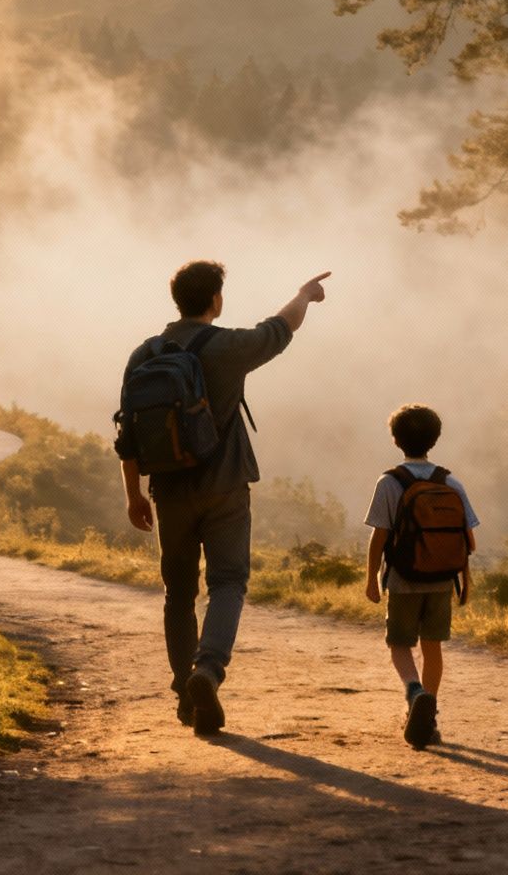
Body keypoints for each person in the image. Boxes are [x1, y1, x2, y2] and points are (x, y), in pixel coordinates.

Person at [119, 260, 330, 735]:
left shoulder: (145, 354)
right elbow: (281, 326)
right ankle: (207, 671)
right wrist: (305, 294)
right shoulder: (228, 347)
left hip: (168, 490)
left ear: (177, 300)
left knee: (178, 592)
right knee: (229, 582)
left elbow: (127, 435)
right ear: (216, 300)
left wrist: (134, 496)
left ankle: (184, 693)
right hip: (226, 486)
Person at [364, 403, 479, 749]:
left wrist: (371, 578)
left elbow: (379, 536)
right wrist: (464, 580)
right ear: (435, 438)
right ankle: (430, 716)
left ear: (396, 440)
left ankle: (414, 693)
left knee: (399, 644)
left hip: (403, 579)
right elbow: (468, 539)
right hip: (442, 580)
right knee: (433, 647)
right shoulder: (450, 481)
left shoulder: (389, 482)